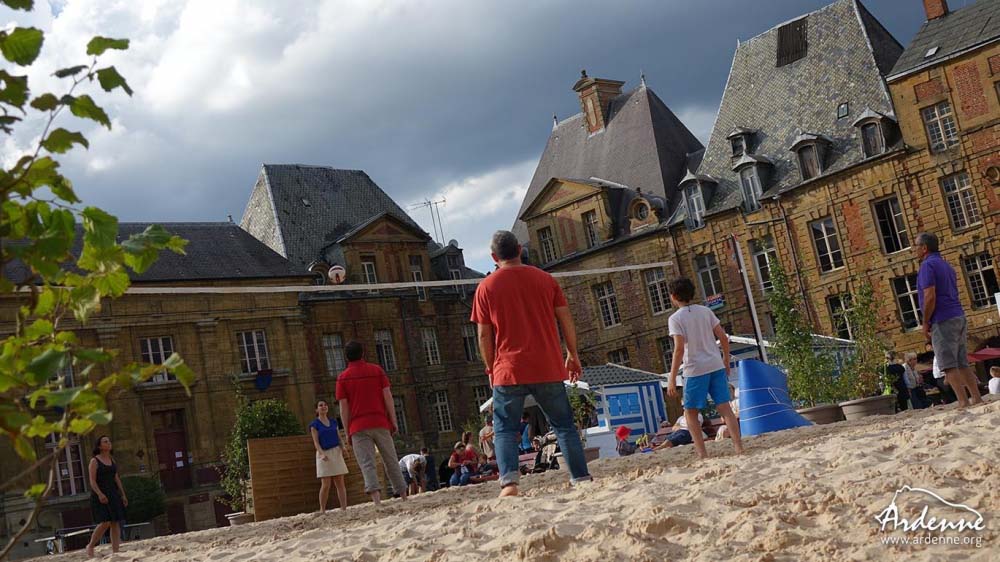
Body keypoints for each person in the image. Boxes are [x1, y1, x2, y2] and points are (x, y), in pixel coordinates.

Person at [471, 230, 592, 497]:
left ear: (493, 257)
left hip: (508, 367)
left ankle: (510, 483)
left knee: (504, 428)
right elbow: (566, 319)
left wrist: (490, 367)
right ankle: (580, 477)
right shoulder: (545, 279)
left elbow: (483, 335)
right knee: (563, 425)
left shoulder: (486, 287)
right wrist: (572, 354)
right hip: (546, 364)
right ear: (519, 250)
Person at [665, 278, 743, 460]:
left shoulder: (675, 318)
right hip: (715, 364)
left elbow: (679, 349)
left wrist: (672, 377)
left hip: (694, 369)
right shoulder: (705, 311)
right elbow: (723, 337)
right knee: (725, 408)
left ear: (673, 296)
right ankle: (738, 447)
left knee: (690, 412)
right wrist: (725, 360)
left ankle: (702, 453)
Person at [915, 232, 982, 407]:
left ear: (924, 248)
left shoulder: (927, 266)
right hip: (958, 315)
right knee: (962, 363)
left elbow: (930, 296)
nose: (915, 250)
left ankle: (962, 401)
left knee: (948, 365)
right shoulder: (946, 265)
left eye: (916, 246)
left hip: (942, 318)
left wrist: (925, 322)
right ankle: (976, 397)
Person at [336, 340, 408, 505]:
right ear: (363, 353)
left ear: (346, 357)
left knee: (367, 464)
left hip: (357, 427)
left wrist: (347, 432)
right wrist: (393, 420)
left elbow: (343, 409)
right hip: (380, 421)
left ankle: (377, 501)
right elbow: (388, 397)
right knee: (390, 459)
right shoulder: (376, 370)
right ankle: (403, 494)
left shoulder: (342, 378)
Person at [85, 436, 128, 558]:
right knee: (105, 522)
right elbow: (92, 481)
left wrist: (123, 494)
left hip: (113, 493)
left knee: (115, 522)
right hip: (100, 494)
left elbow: (116, 478)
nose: (109, 443)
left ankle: (116, 550)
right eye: (105, 441)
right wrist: (100, 494)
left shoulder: (111, 460)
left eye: (109, 441)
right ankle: (91, 545)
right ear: (99, 446)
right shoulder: (94, 461)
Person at [309, 400, 348, 512]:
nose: (323, 407)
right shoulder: (314, 425)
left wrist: (343, 447)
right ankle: (322, 509)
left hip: (336, 452)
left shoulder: (333, 422)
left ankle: (344, 508)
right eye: (320, 405)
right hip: (324, 453)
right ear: (316, 410)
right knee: (326, 484)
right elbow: (316, 442)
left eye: (325, 405)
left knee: (340, 482)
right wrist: (321, 454)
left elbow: (338, 437)